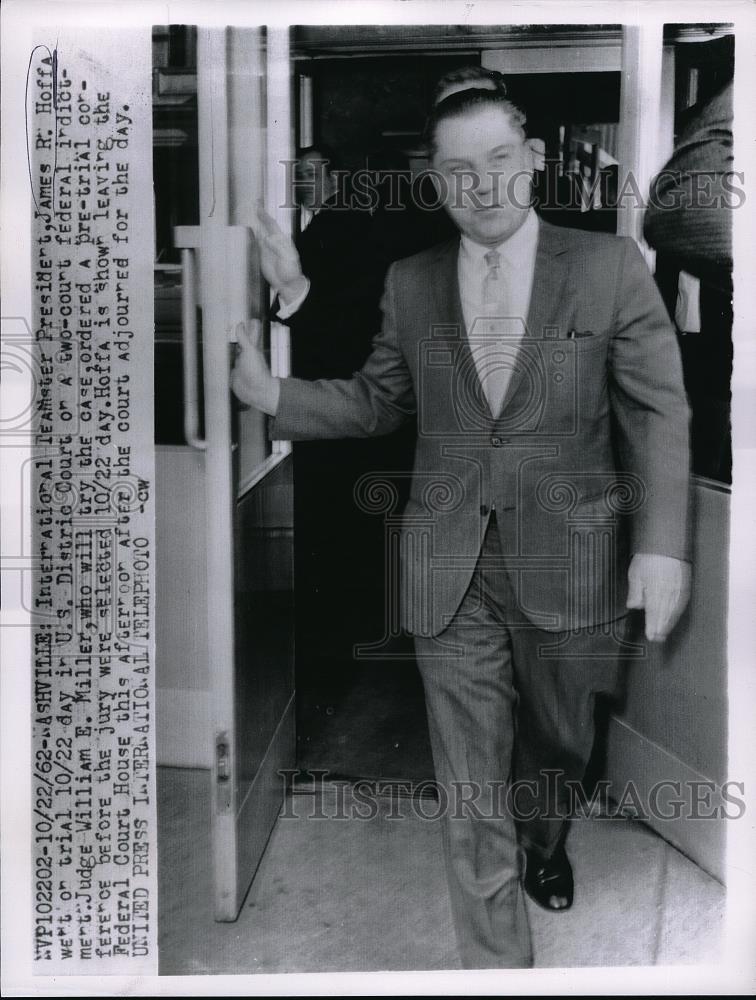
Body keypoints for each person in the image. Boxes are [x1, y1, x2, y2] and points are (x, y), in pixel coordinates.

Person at [234, 88, 692, 969]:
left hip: (574, 560)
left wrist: (662, 545)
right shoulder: (411, 283)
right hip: (449, 563)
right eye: (456, 170)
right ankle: (496, 968)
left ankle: (545, 840)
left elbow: (658, 410)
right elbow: (378, 401)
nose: (480, 185)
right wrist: (274, 397)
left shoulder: (608, 267)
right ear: (434, 183)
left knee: (558, 742)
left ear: (528, 162)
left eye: (495, 161)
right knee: (469, 782)